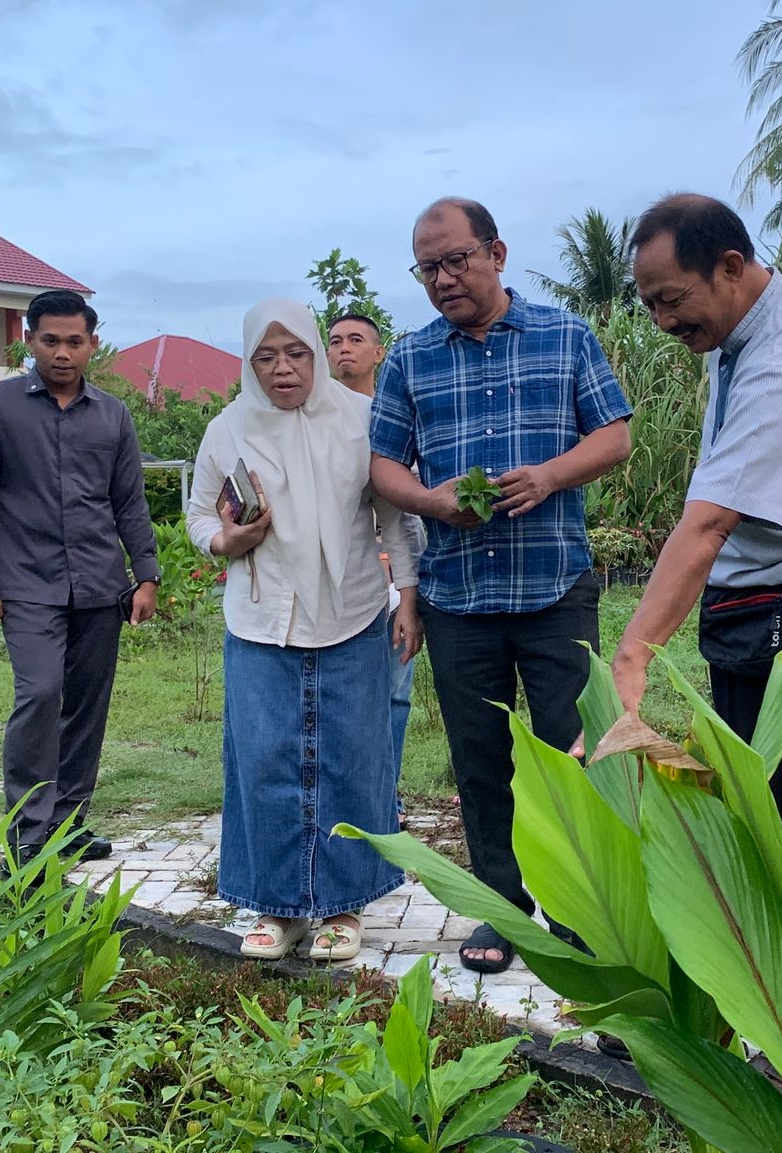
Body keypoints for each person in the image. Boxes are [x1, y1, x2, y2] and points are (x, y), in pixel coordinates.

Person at [611, 193, 782, 954]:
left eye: (672, 299)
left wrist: (631, 653)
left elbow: (707, 525)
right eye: (651, 305)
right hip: (755, 617)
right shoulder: (745, 329)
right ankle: (744, 1009)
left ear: (730, 267)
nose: (664, 322)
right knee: (745, 819)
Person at [369, 198, 633, 973]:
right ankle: (503, 911)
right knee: (480, 761)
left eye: (457, 260)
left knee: (573, 757)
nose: (444, 279)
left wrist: (550, 476)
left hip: (555, 587)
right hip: (458, 598)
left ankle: (586, 915)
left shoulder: (564, 335)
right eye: (428, 268)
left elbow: (614, 433)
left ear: (497, 253)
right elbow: (382, 464)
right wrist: (430, 500)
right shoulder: (410, 359)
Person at [188, 298, 423, 962]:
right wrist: (224, 540)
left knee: (351, 756)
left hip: (351, 610)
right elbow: (199, 515)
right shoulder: (227, 429)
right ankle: (278, 907)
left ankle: (343, 908)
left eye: (295, 354)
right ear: (249, 361)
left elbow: (397, 517)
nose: (282, 368)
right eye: (267, 356)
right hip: (260, 619)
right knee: (264, 760)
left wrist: (407, 596)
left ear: (316, 355)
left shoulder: (361, 421)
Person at [0, 288, 160, 863]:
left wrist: (145, 574)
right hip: (25, 584)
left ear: (92, 344)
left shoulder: (113, 414)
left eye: (75, 342)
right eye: (51, 341)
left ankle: (68, 825)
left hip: (101, 583)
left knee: (88, 706)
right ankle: (26, 833)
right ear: (29, 341)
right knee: (41, 695)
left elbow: (128, 501)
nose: (63, 353)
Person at [326, 313, 414, 814]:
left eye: (356, 340)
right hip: (345, 578)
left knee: (396, 692)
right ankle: (344, 796)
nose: (345, 350)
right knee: (342, 695)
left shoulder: (396, 414)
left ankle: (385, 794)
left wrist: (405, 581)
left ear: (379, 352)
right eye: (335, 341)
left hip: (399, 576)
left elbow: (406, 506)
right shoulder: (319, 419)